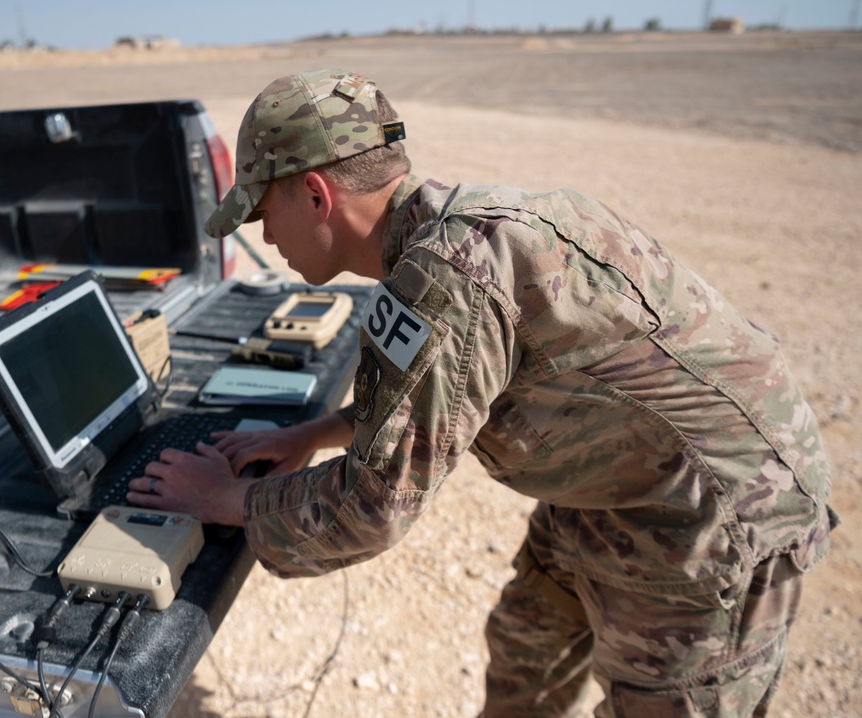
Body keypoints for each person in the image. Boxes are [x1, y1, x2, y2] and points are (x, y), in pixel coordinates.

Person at [127, 68, 835, 717]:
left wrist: (219, 498)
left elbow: (374, 508)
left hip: (714, 505)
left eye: (262, 214)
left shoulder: (446, 277)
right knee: (528, 648)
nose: (266, 235)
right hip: (626, 474)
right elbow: (446, 392)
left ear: (317, 194)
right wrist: (311, 435)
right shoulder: (446, 239)